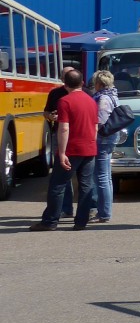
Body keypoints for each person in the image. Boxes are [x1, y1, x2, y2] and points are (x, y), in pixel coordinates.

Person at [29, 67, 97, 231]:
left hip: (72, 148)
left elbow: (64, 128)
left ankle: (50, 221)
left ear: (65, 84)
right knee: (86, 186)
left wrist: (62, 152)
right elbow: (95, 126)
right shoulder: (91, 100)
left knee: (57, 185)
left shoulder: (65, 101)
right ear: (82, 82)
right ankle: (81, 222)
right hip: (89, 148)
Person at [42, 67, 78, 219]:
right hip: (59, 134)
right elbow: (46, 113)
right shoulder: (55, 93)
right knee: (64, 174)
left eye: (68, 76)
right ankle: (66, 208)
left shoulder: (83, 94)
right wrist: (52, 116)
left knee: (84, 177)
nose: (65, 79)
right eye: (64, 76)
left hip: (76, 135)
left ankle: (90, 209)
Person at [91, 69, 119, 223]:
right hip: (109, 138)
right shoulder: (113, 95)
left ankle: (104, 213)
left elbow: (100, 121)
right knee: (106, 177)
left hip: (103, 139)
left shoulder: (103, 98)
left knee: (101, 177)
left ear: (99, 83)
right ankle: (105, 211)